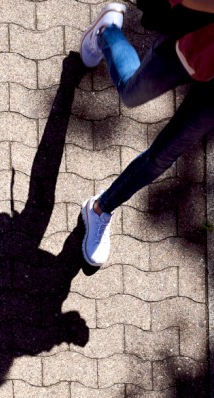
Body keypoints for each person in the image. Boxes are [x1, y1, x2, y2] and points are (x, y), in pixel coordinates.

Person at [77, 0, 214, 266]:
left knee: (163, 157)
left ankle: (100, 208)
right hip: (191, 47)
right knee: (131, 93)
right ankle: (107, 31)